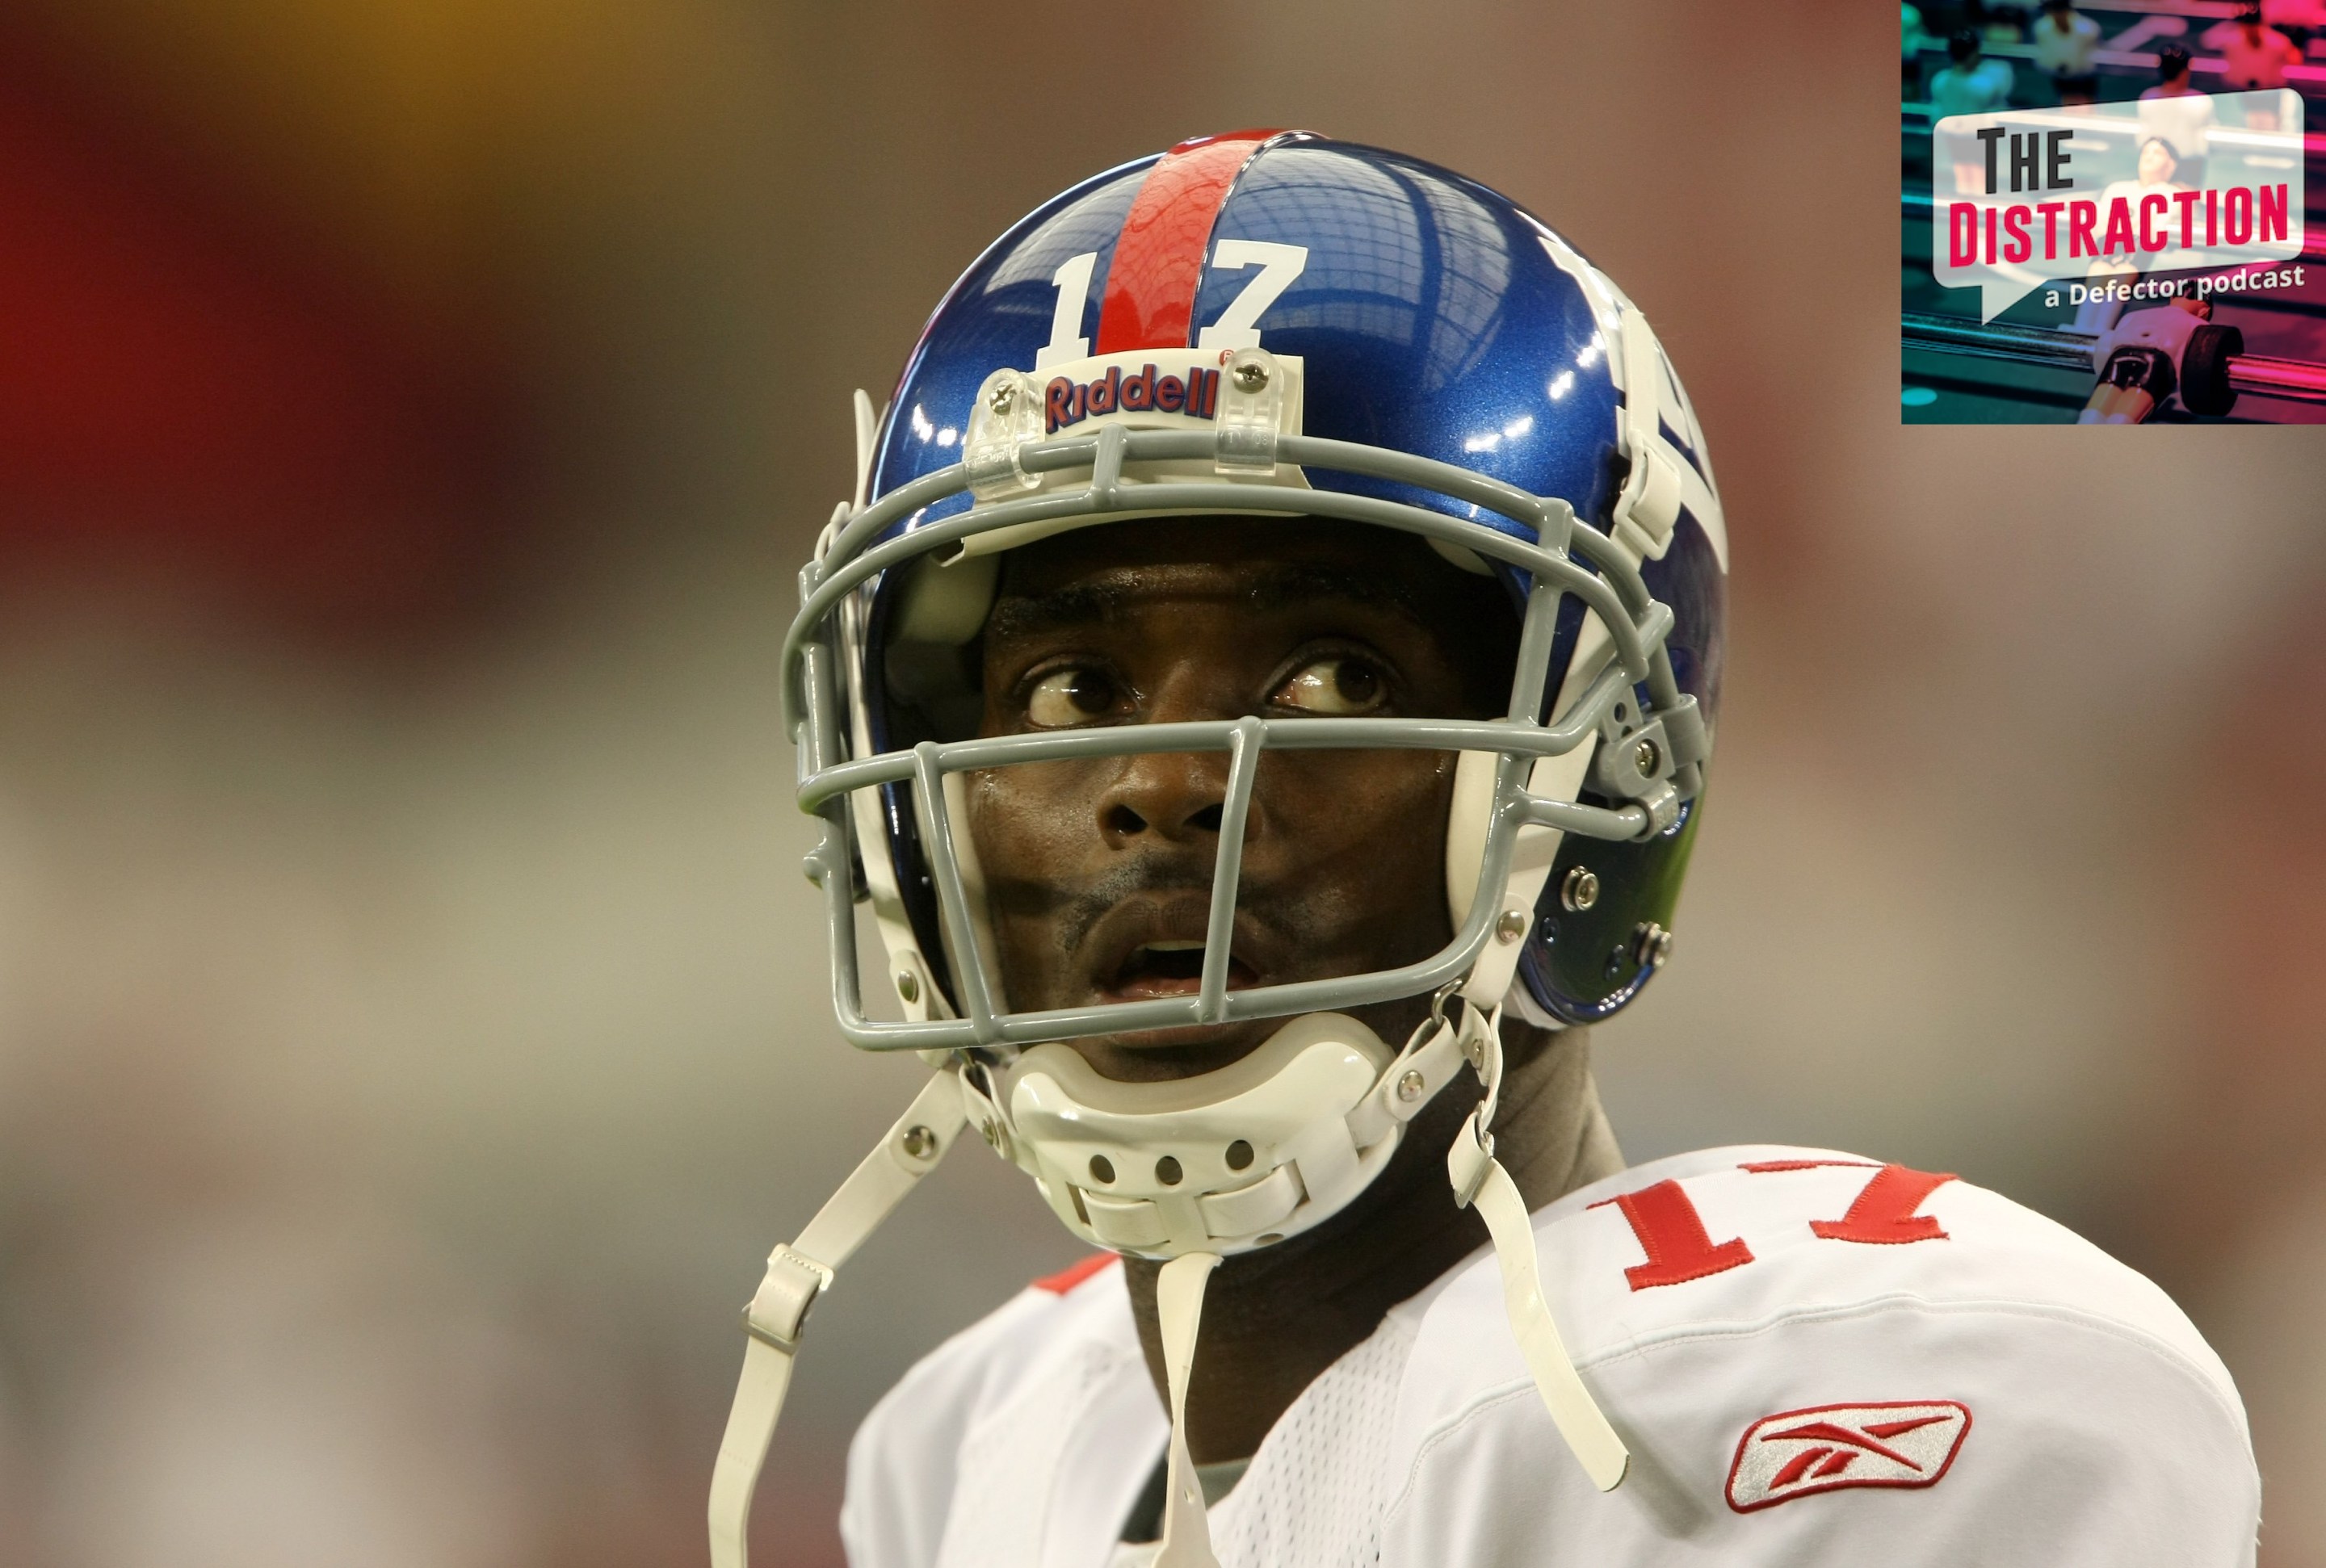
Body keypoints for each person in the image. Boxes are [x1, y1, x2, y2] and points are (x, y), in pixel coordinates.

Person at [710, 133, 2262, 1566]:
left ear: (1603, 775)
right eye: (1071, 688)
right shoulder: (970, 1442)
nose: (1165, 781)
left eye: (1334, 674)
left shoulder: (1856, 1377)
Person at [2139, 44, 2216, 187]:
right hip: (2189, 165)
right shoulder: (2201, 101)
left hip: (2159, 163)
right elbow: (2207, 142)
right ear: (2186, 71)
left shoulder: (2148, 97)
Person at [2033, 0, 2103, 103]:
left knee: (2087, 110)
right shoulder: (2042, 28)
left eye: (2059, 10)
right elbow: (2043, 59)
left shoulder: (2088, 29)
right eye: (2052, 11)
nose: (2056, 15)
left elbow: (2093, 59)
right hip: (2060, 78)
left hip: (2085, 80)